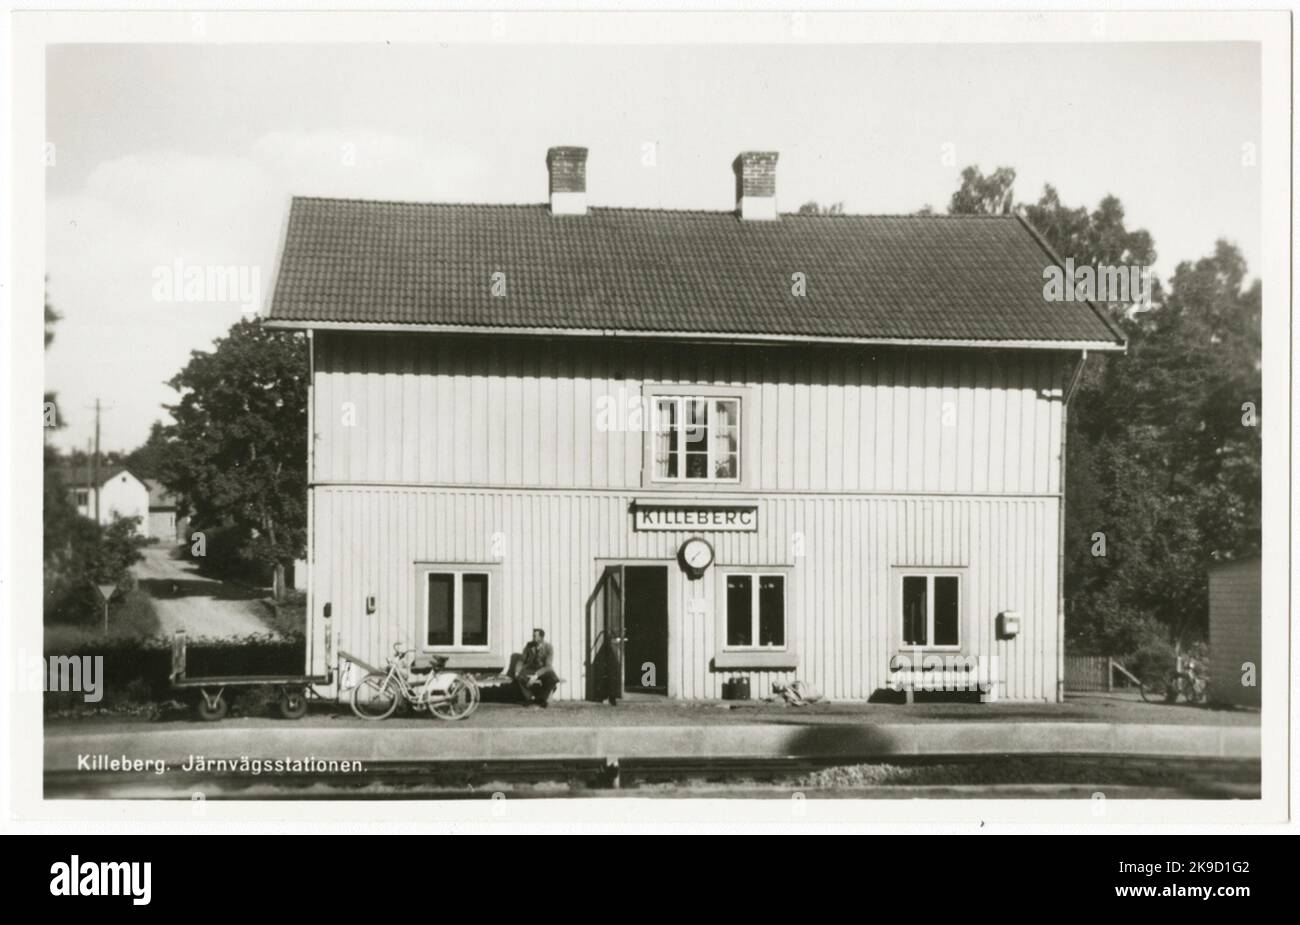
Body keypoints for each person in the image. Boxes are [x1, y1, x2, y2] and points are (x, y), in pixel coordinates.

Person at [517, 628, 559, 707]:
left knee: (553, 678)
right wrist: (517, 671)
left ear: (541, 637)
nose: (533, 638)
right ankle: (530, 698)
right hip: (531, 668)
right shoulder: (529, 645)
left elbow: (548, 666)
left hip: (543, 670)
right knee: (519, 676)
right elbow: (522, 659)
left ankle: (542, 699)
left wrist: (536, 675)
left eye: (535, 636)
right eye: (533, 636)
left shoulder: (549, 647)